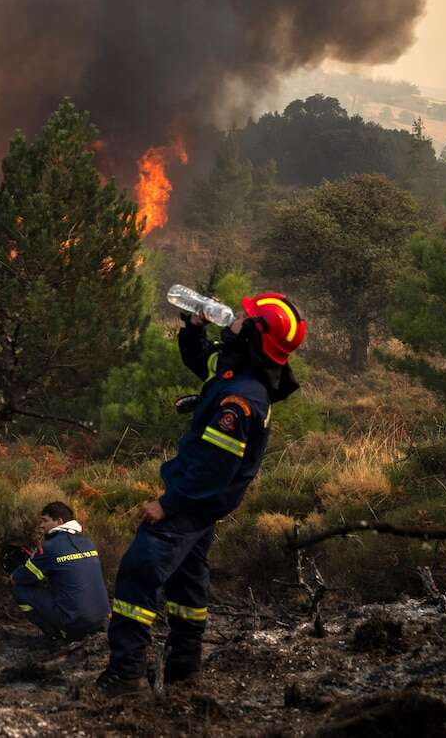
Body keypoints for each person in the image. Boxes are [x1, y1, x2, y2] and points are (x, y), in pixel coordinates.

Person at [96, 292, 306, 695]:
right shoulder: (239, 368)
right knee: (188, 584)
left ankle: (125, 676)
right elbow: (200, 359)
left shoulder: (241, 398)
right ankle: (185, 669)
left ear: (256, 334)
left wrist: (167, 504)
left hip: (191, 501)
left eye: (246, 317)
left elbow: (214, 468)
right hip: (201, 504)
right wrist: (195, 326)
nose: (237, 318)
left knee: (139, 571)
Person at [7, 501, 109, 641]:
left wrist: (18, 570)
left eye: (45, 521)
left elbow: (20, 578)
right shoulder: (87, 542)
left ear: (59, 521)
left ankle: (55, 636)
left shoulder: (49, 547)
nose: (41, 525)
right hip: (102, 617)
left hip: (75, 621)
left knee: (19, 590)